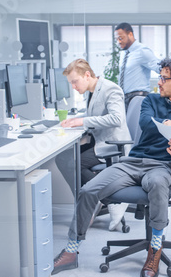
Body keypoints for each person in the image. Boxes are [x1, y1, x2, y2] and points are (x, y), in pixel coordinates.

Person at [52, 56, 171, 277]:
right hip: (132, 163)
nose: (158, 82)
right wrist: (167, 126)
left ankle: (155, 250)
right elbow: (145, 124)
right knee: (88, 190)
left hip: (163, 167)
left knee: (158, 185)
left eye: (164, 78)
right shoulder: (151, 100)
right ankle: (71, 250)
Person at [54, 58, 131, 231]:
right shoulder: (92, 90)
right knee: (63, 158)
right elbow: (95, 116)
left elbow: (117, 119)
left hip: (112, 145)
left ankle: (93, 202)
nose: (73, 86)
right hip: (99, 140)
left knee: (71, 162)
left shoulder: (111, 89)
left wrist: (82, 121)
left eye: (75, 81)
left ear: (87, 75)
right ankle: (92, 201)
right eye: (71, 83)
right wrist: (77, 121)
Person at [115, 22, 161, 112]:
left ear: (130, 34)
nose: (118, 42)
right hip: (125, 98)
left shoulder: (142, 51)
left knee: (135, 125)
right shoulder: (123, 53)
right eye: (116, 39)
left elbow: (160, 68)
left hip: (138, 97)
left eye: (121, 38)